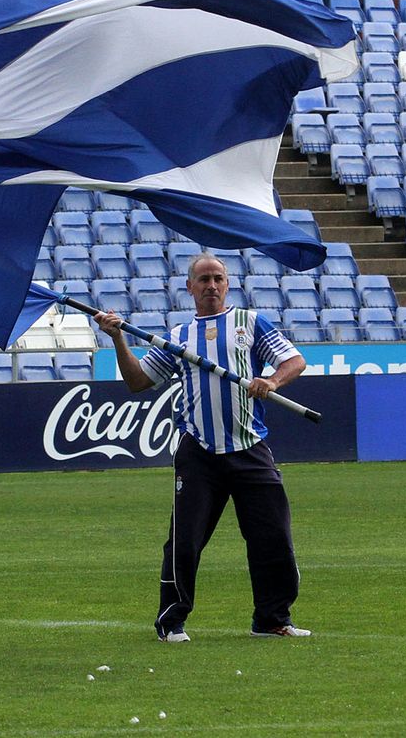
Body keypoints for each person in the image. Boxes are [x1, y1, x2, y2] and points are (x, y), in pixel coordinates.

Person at [93, 253, 311, 643]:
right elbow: (139, 381)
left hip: (249, 447)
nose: (212, 285)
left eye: (218, 279)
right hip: (199, 453)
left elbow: (294, 361)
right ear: (189, 287)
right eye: (204, 279)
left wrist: (272, 381)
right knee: (185, 540)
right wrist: (118, 339)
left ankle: (271, 619)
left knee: (273, 536)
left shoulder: (250, 323)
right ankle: (170, 622)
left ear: (228, 285)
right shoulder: (177, 337)